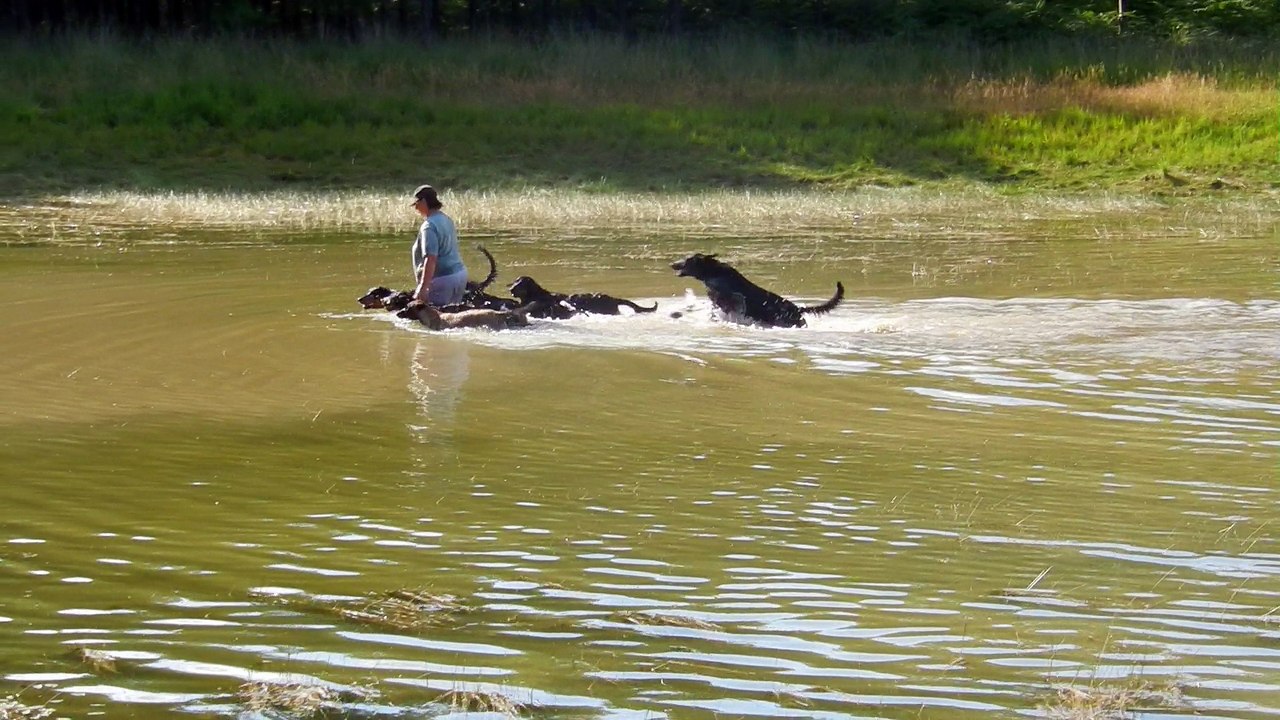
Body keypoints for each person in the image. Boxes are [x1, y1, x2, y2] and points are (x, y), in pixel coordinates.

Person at [409, 184, 468, 306]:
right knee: (453, 315)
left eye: (416, 204)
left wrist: (423, 287)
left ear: (424, 201)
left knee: (433, 317)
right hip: (459, 275)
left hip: (442, 281)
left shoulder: (429, 226)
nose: (416, 208)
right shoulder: (446, 219)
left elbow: (431, 258)